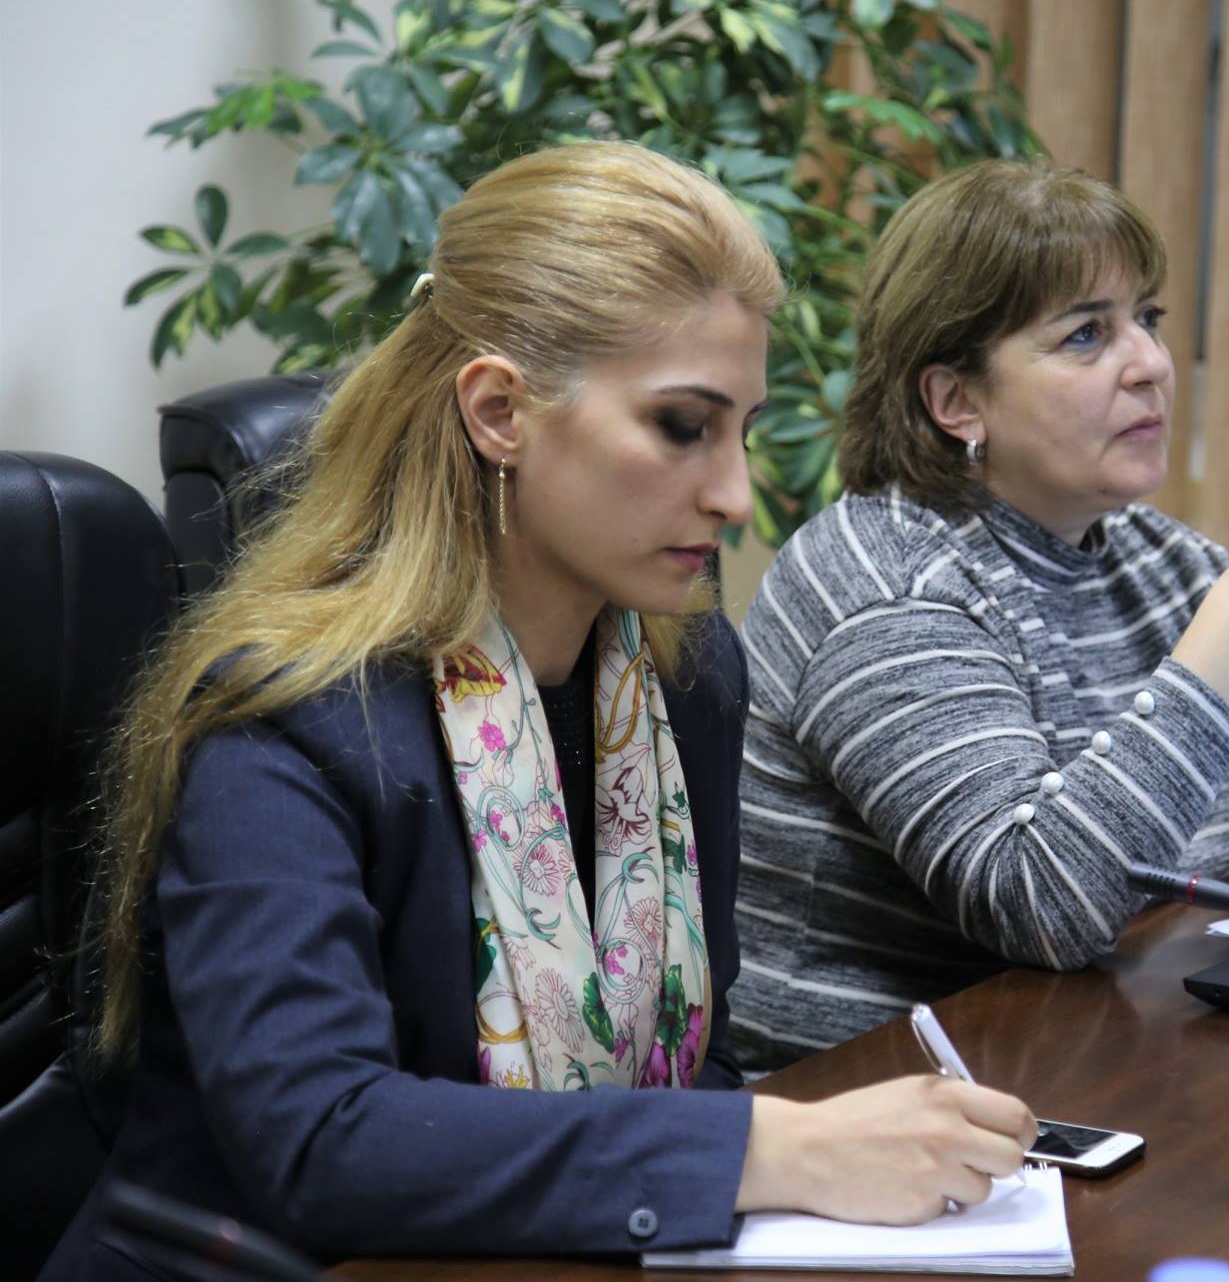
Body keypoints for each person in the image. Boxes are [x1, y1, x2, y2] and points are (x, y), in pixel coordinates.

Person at [47, 142, 1034, 1278]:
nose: (733, 492)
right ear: (500, 411)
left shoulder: (688, 676)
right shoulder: (286, 716)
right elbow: (321, 1140)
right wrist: (771, 1149)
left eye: (743, 430)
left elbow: (693, 1057)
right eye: (682, 425)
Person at [731, 158, 1229, 1072]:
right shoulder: (886, 587)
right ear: (957, 400)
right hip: (864, 1100)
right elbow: (1042, 908)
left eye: (1146, 319)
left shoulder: (1161, 560)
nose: (1151, 364)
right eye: (1085, 335)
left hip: (1100, 1061)